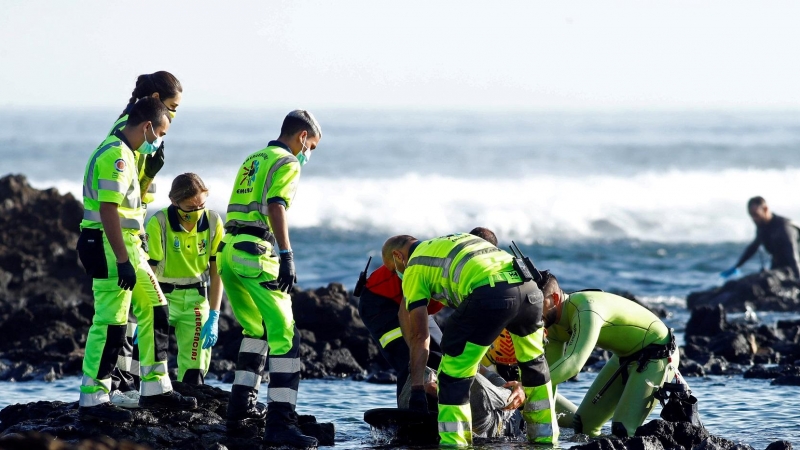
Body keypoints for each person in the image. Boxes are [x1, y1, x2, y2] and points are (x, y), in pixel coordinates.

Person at [76, 97, 197, 423]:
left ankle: (156, 389)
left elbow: (132, 205)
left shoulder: (129, 155)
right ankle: (94, 400)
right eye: (160, 132)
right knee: (112, 323)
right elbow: (108, 210)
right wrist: (122, 258)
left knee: (156, 309)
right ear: (146, 127)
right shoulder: (116, 154)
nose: (159, 141)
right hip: (109, 246)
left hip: (129, 247)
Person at [384, 233, 558, 446]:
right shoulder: (452, 240)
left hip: (492, 295)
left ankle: (454, 442)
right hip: (530, 290)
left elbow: (420, 335)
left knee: (451, 373)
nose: (397, 275)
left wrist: (418, 390)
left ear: (398, 256)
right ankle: (545, 439)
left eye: (394, 271)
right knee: (534, 366)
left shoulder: (414, 267)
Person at [217, 110, 321, 448]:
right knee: (286, 338)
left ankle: (240, 413)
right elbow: (276, 205)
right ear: (302, 136)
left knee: (256, 331)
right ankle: (280, 423)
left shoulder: (254, 158)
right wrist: (288, 256)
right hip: (254, 255)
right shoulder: (287, 162)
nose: (309, 154)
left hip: (229, 253)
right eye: (312, 146)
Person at [108, 71, 183, 408]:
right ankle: (123, 388)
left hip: (131, 236)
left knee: (134, 314)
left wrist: (150, 173)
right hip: (122, 240)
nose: (174, 115)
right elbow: (121, 195)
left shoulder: (140, 132)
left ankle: (132, 386)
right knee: (128, 315)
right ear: (154, 101)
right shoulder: (128, 134)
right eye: (172, 107)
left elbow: (140, 193)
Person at [358, 227, 497, 403]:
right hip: (381, 305)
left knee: (441, 357)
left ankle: (439, 405)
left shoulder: (479, 270)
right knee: (410, 359)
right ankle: (411, 410)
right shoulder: (440, 261)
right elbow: (405, 313)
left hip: (419, 304)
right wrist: (416, 350)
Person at [541, 275, 679, 437]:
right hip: (623, 357)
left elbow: (573, 363)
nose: (532, 310)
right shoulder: (552, 326)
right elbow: (551, 377)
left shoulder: (585, 309)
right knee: (584, 426)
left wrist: (526, 388)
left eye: (537, 303)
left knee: (623, 430)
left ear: (555, 298)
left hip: (658, 353)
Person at [145, 173, 224, 384]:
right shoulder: (158, 222)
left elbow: (217, 271)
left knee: (195, 371)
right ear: (174, 201)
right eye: (190, 208)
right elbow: (149, 269)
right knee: (149, 361)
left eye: (202, 205)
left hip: (196, 302)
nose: (198, 212)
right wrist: (143, 310)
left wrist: (215, 314)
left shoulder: (214, 221)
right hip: (161, 297)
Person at [721, 196, 800, 279]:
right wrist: (737, 266)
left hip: (795, 266)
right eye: (751, 215)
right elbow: (754, 247)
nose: (754, 219)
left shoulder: (784, 227)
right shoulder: (762, 227)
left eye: (756, 215)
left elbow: (793, 257)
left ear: (765, 209)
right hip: (778, 267)